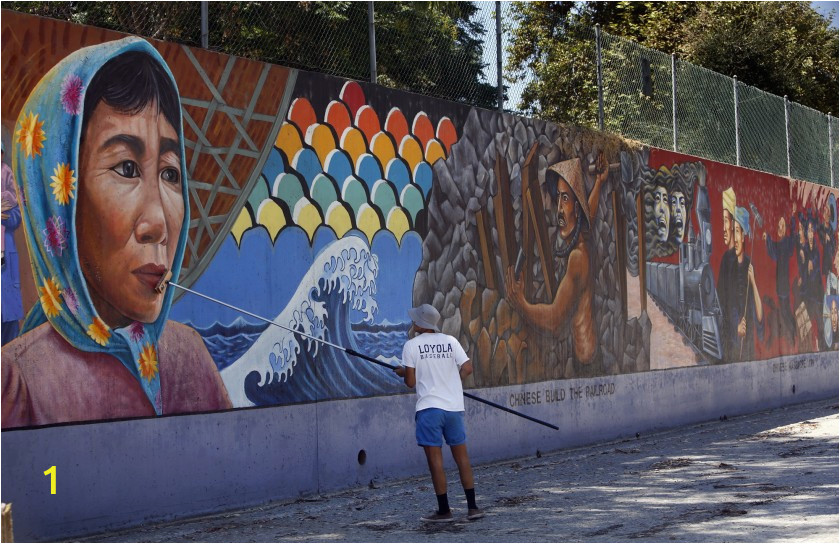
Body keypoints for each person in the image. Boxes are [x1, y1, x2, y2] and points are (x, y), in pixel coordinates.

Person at [2, 38, 231, 428]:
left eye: (170, 173)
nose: (158, 223)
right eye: (126, 168)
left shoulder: (188, 357)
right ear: (56, 199)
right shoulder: (18, 382)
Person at [504, 154, 609, 366]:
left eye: (566, 199)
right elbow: (591, 212)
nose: (559, 209)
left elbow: (555, 319)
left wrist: (521, 303)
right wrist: (599, 181)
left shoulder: (578, 258)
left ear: (577, 208)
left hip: (586, 366)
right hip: (588, 359)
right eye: (558, 197)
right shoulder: (583, 233)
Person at [394, 303, 484, 522]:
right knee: (462, 458)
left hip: (429, 409)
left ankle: (444, 511)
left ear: (421, 324)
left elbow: (411, 382)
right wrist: (453, 380)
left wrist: (402, 372)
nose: (413, 322)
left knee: (436, 461)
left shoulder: (412, 346)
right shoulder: (451, 341)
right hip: (454, 408)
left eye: (415, 320)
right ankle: (473, 508)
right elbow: (468, 367)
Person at [719, 206, 763, 362]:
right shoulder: (726, 261)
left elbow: (759, 316)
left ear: (744, 236)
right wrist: (734, 329)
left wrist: (753, 282)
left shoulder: (749, 266)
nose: (735, 237)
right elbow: (720, 306)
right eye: (734, 230)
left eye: (738, 231)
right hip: (731, 342)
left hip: (748, 342)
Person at [1, 141, 24, 346]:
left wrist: (4, 214)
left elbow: (17, 217)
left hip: (4, 258)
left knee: (7, 321)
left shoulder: (6, 175)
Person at [764, 215, 796, 345]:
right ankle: (794, 331)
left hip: (783, 286)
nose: (779, 228)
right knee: (786, 310)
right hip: (781, 286)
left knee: (785, 310)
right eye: (778, 226)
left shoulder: (787, 243)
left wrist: (793, 217)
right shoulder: (780, 244)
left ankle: (793, 332)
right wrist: (768, 239)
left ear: (785, 229)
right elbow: (773, 252)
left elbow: (793, 236)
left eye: (782, 226)